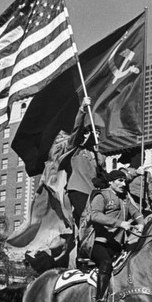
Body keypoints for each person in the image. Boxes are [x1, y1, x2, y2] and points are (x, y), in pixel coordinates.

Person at [89, 169, 145, 302]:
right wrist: (120, 223)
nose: (123, 183)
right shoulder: (102, 196)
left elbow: (136, 213)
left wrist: (141, 223)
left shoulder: (124, 200)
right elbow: (94, 215)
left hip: (118, 246)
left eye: (124, 180)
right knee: (106, 263)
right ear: (110, 182)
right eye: (120, 180)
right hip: (99, 244)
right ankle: (99, 300)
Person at [58, 96, 106, 227]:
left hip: (94, 193)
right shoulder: (75, 149)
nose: (96, 135)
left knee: (99, 221)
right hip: (77, 190)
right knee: (86, 218)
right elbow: (76, 129)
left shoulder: (100, 157)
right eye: (92, 132)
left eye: (98, 133)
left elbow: (104, 176)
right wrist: (82, 109)